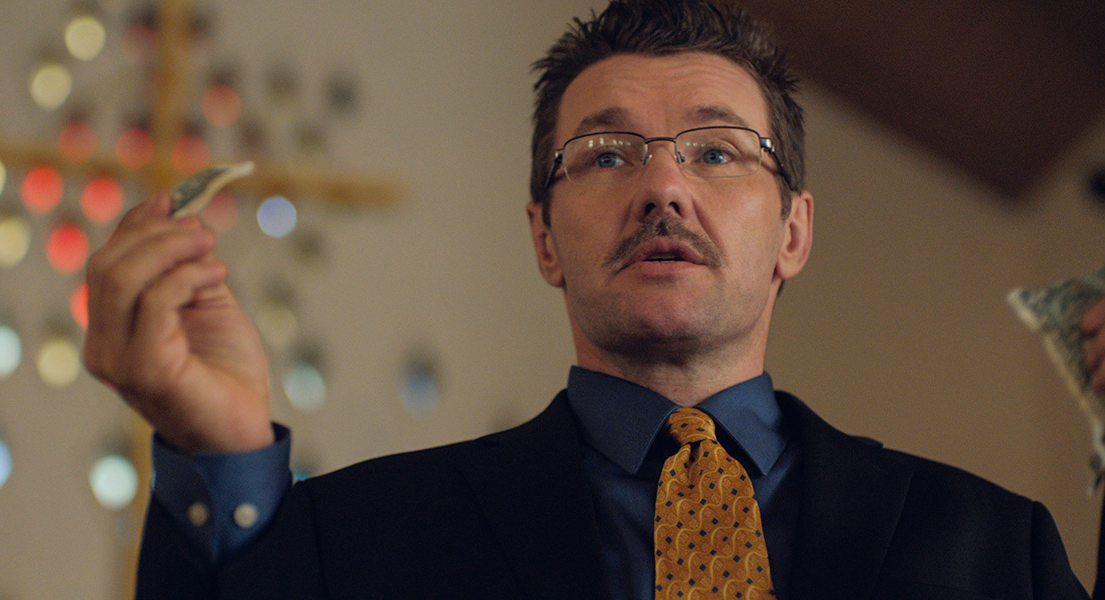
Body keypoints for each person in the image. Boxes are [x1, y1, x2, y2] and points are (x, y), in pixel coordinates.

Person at [84, 1, 1101, 598]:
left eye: (717, 151)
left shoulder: (995, 548)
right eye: (607, 153)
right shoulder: (350, 540)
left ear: (794, 232)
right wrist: (220, 452)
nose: (663, 187)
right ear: (543, 237)